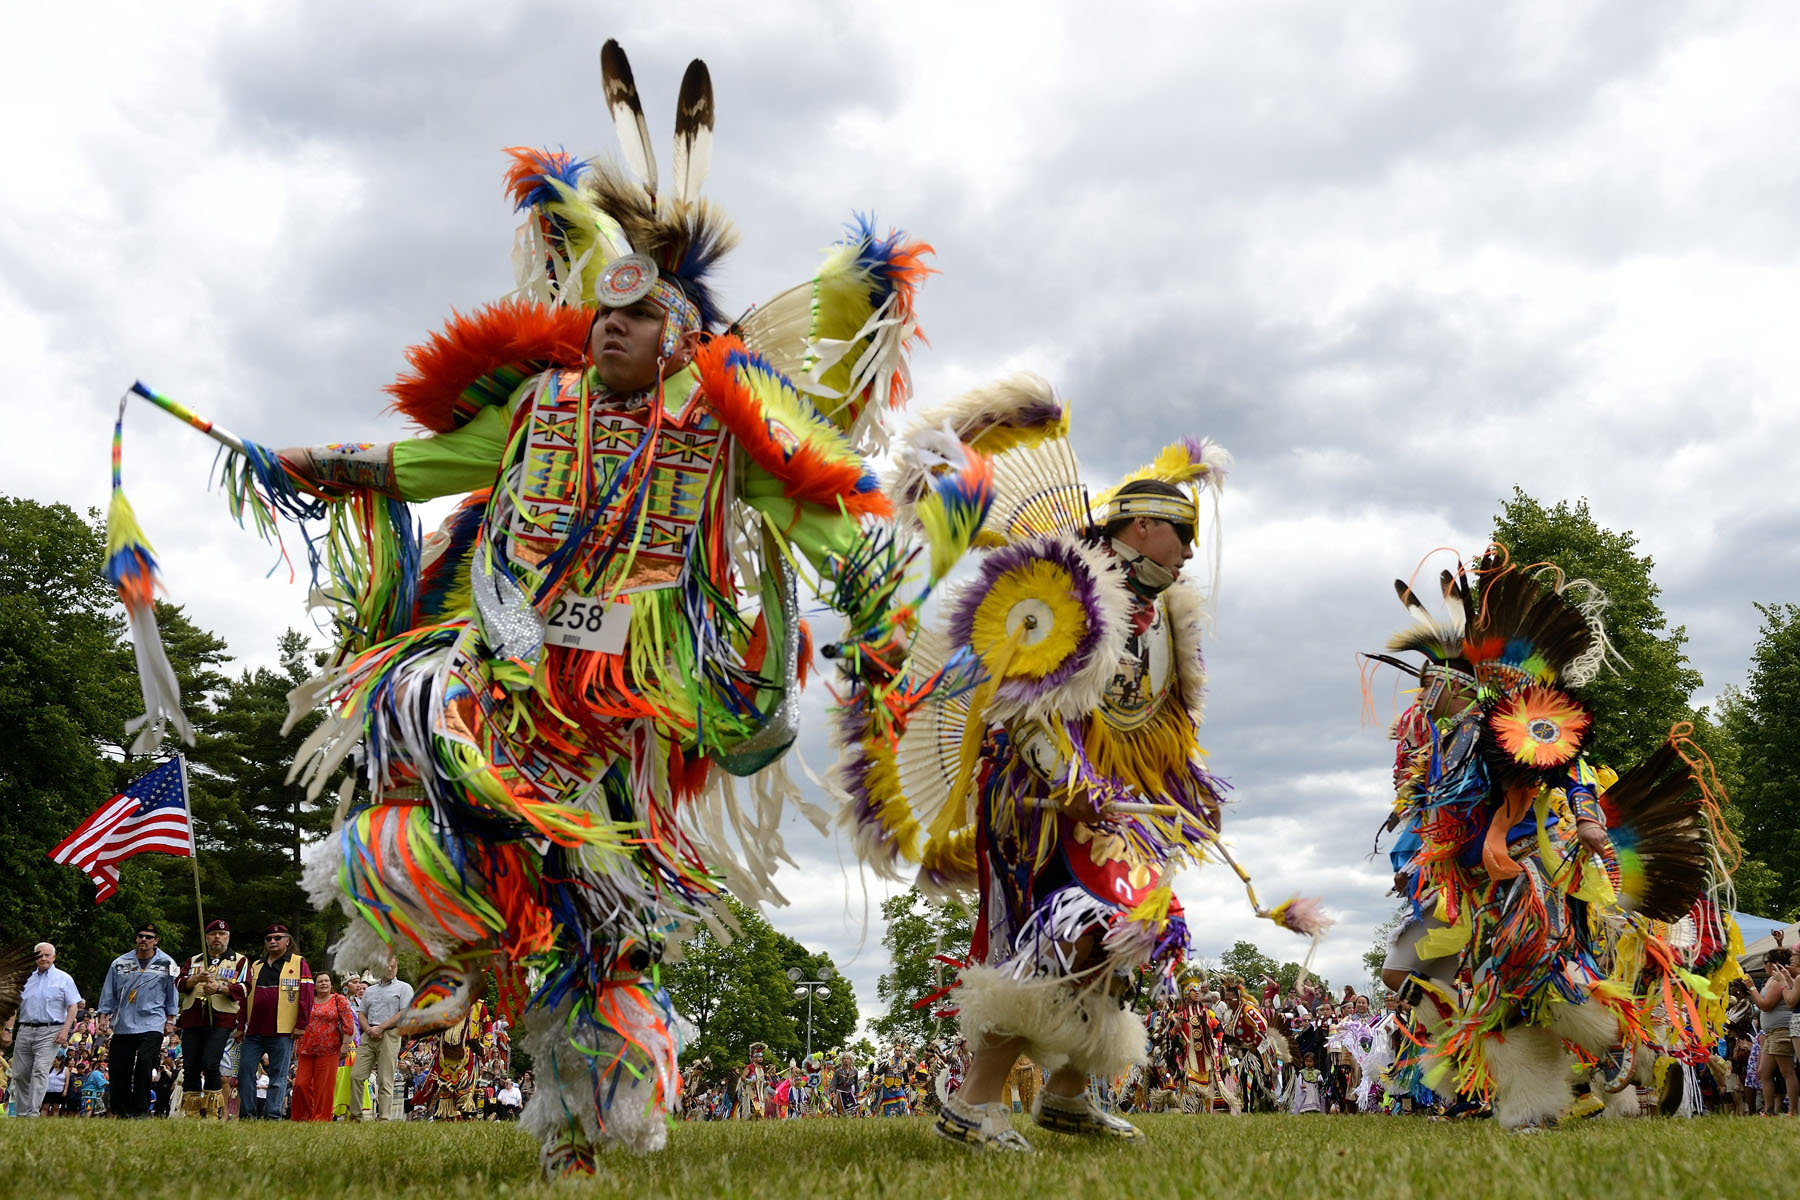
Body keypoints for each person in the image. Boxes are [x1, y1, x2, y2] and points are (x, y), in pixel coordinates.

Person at [242, 40, 957, 1178]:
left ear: (678, 329)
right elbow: (424, 466)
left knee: (607, 922)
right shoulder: (539, 404)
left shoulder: (725, 429)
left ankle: (577, 1128)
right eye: (602, 314)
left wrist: (883, 620)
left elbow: (828, 525)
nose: (610, 327)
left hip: (623, 714)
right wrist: (306, 460)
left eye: (637, 317)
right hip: (500, 675)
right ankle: (457, 937)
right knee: (431, 755)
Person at [833, 391, 1307, 1150]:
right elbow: (1022, 712)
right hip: (1037, 799)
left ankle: (1068, 1093)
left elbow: (1156, 728)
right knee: (1060, 936)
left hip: (1110, 805)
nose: (1189, 551)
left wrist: (1183, 793)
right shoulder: (1064, 588)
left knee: (1133, 931)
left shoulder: (1166, 620)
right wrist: (1076, 791)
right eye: (1181, 533)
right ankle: (974, 1102)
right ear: (1141, 526)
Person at [1369, 550, 1740, 1128]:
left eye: (1427, 682)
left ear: (1452, 682)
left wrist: (1588, 819)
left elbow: (1566, 764)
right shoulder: (1437, 753)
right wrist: (1415, 864)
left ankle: (1624, 1056)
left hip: (1520, 880)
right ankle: (1520, 1094)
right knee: (1471, 994)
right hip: (1464, 893)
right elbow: (1433, 823)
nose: (1419, 695)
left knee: (1534, 984)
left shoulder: (1501, 728)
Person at [96, 923, 180, 1118]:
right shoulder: (119, 962)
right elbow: (109, 991)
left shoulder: (168, 963)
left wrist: (171, 1018)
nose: (144, 939)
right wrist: (103, 1015)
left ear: (156, 940)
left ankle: (141, 1109)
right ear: (136, 938)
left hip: (152, 1021)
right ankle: (120, 1110)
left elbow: (172, 992)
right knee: (119, 1067)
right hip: (124, 1022)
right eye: (141, 936)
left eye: (149, 937)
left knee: (144, 1061)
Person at [237, 923, 313, 1119]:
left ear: (287, 941)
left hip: (282, 1030)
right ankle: (248, 1115)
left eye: (277, 938)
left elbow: (306, 996)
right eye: (269, 939)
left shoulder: (298, 963)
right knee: (245, 1071)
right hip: (253, 1030)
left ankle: (272, 1115)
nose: (272, 941)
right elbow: (244, 998)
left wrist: (301, 1024)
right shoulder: (256, 965)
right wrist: (240, 1025)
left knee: (278, 1077)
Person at [175, 918, 249, 1119]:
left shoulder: (239, 960)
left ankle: (211, 1110)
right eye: (213, 934)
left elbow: (244, 987)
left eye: (222, 934)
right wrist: (194, 980)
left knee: (210, 1063)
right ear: (206, 938)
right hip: (192, 1018)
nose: (218, 937)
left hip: (220, 1019)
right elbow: (180, 983)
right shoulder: (194, 960)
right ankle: (191, 1110)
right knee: (190, 1065)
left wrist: (220, 988)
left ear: (228, 937)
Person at [5, 942, 82, 1118]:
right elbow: (12, 1006)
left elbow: (73, 1007)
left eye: (47, 955)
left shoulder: (64, 978)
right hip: (25, 1029)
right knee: (20, 1074)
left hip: (51, 1031)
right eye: (40, 955)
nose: (44, 958)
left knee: (40, 1070)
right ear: (35, 958)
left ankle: (33, 1113)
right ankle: (22, 1113)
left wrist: (65, 1031)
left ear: (54, 957)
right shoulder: (24, 979)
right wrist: (8, 1030)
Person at [349, 952, 412, 1120]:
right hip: (369, 1035)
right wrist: (369, 1029)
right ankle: (355, 1116)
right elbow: (361, 1013)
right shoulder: (370, 990)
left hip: (390, 1034)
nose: (390, 968)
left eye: (393, 965)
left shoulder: (404, 988)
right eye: (387, 965)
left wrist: (381, 1028)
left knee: (385, 1079)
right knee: (356, 1076)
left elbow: (403, 1013)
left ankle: (383, 1117)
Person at [288, 971, 356, 1122]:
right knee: (300, 1084)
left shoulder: (339, 1000)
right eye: (320, 981)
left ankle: (321, 1119)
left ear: (331, 984)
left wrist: (345, 1045)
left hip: (329, 1050)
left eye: (326, 981)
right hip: (306, 1049)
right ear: (314, 985)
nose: (324, 983)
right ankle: (303, 1117)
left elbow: (348, 1025)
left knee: (323, 1087)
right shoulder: (307, 1001)